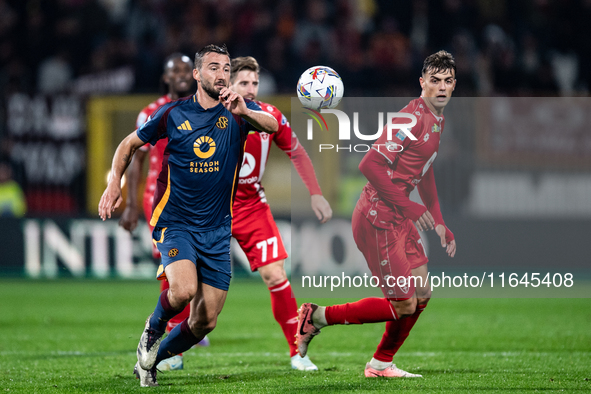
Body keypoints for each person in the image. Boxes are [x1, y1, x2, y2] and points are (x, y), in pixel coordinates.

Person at [98, 44, 278, 387]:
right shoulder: (173, 114)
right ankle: (152, 331)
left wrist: (246, 111)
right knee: (182, 290)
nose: (221, 74)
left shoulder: (239, 112)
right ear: (197, 75)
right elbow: (128, 145)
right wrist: (113, 186)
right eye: (213, 67)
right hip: (175, 222)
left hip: (217, 228)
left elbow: (272, 125)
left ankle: (151, 359)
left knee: (205, 321)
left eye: (226, 68)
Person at [152, 56, 333, 371]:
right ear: (227, 84)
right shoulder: (207, 115)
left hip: (251, 207)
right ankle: (173, 351)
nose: (250, 90)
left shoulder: (267, 116)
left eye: (255, 84)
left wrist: (316, 193)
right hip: (208, 208)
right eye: (243, 83)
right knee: (185, 282)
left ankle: (297, 352)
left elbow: (296, 150)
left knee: (276, 274)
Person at [296, 50, 458, 378]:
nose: (441, 87)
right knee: (403, 304)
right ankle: (315, 316)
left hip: (398, 218)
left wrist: (438, 220)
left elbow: (424, 171)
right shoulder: (409, 119)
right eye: (435, 81)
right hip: (378, 218)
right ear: (422, 83)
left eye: (448, 81)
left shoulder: (436, 120)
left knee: (423, 293)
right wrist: (409, 205)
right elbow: (369, 164)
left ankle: (381, 363)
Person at [118, 52, 208, 372]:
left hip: (197, 199)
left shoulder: (206, 108)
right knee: (172, 266)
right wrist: (130, 204)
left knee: (193, 263)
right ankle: (170, 332)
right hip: (161, 198)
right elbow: (137, 159)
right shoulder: (151, 113)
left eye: (187, 69)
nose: (182, 74)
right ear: (166, 78)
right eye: (176, 70)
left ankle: (188, 322)